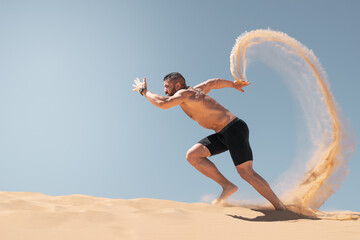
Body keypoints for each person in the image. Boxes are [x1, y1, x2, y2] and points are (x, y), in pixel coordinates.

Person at [132, 72, 286, 210]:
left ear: (177, 85)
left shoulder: (185, 94)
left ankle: (280, 206)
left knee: (246, 173)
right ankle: (227, 186)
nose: (165, 90)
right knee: (193, 155)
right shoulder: (195, 91)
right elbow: (212, 83)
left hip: (234, 129)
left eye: (167, 87)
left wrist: (144, 91)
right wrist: (232, 84)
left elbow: (163, 103)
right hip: (222, 133)